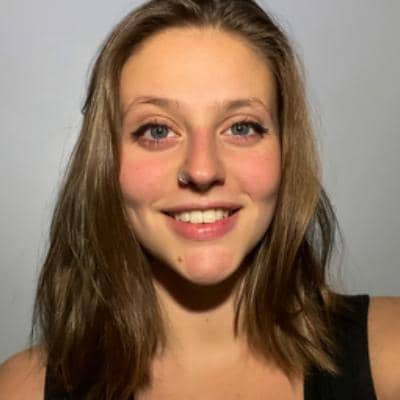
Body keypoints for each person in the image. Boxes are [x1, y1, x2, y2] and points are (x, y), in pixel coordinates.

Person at [0, 0, 399, 399]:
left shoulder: (390, 357)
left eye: (241, 127)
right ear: (105, 163)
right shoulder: (21, 389)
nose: (203, 169)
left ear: (285, 152)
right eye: (157, 131)